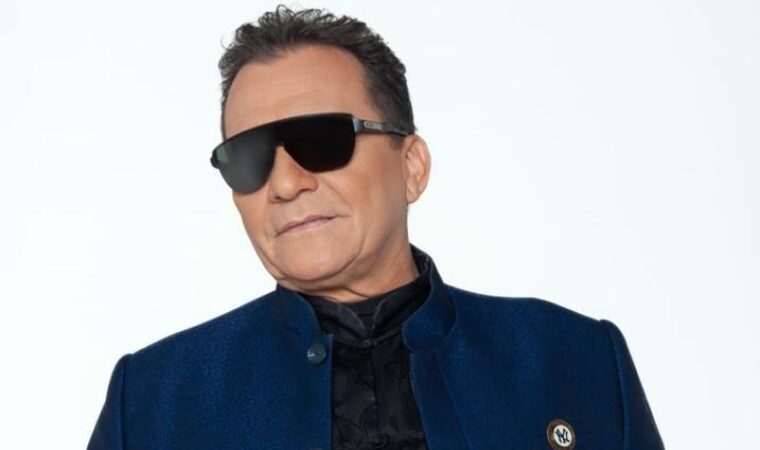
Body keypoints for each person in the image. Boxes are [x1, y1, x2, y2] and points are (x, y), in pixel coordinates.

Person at [87, 5, 665, 450]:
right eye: (250, 157)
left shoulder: (576, 360)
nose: (284, 184)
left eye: (322, 139)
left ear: (411, 167)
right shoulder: (154, 402)